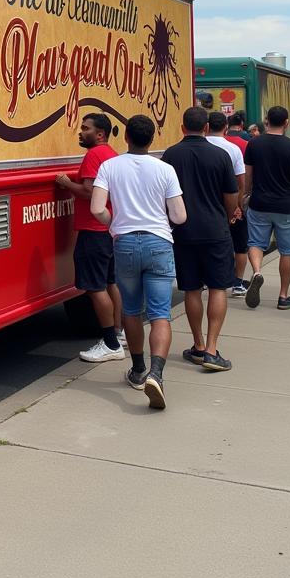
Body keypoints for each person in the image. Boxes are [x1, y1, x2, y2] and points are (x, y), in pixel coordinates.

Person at [91, 114, 186, 410]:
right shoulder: (165, 169)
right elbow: (180, 216)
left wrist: (113, 222)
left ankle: (137, 369)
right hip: (159, 243)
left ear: (126, 138)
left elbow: (97, 209)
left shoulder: (109, 166)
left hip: (126, 243)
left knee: (132, 311)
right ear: (152, 138)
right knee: (160, 314)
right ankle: (157, 373)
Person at [162, 108, 240, 372]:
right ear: (207, 127)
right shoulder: (220, 155)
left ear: (182, 127)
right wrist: (229, 215)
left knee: (191, 288)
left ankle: (196, 344)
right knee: (218, 287)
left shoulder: (170, 155)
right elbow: (231, 193)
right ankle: (211, 349)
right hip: (215, 229)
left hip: (182, 230)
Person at [55, 113, 125, 363]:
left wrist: (65, 183)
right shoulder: (112, 154)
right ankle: (119, 331)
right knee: (110, 282)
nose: (80, 132)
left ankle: (110, 343)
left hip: (93, 231)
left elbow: (88, 191)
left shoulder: (94, 155)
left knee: (95, 288)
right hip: (108, 229)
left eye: (85, 128)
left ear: (100, 134)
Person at [242, 105, 290, 310]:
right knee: (287, 251)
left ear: (266, 121)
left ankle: (256, 272)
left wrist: (246, 193)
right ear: (286, 123)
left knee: (255, 243)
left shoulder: (254, 144)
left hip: (259, 203)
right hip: (287, 205)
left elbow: (248, 174)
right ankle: (283, 296)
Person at [209, 111, 249, 294]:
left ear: (207, 126)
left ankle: (207, 279)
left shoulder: (199, 146)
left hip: (204, 207)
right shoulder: (233, 149)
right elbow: (241, 183)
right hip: (230, 205)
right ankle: (238, 282)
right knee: (239, 245)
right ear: (225, 127)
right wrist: (237, 207)